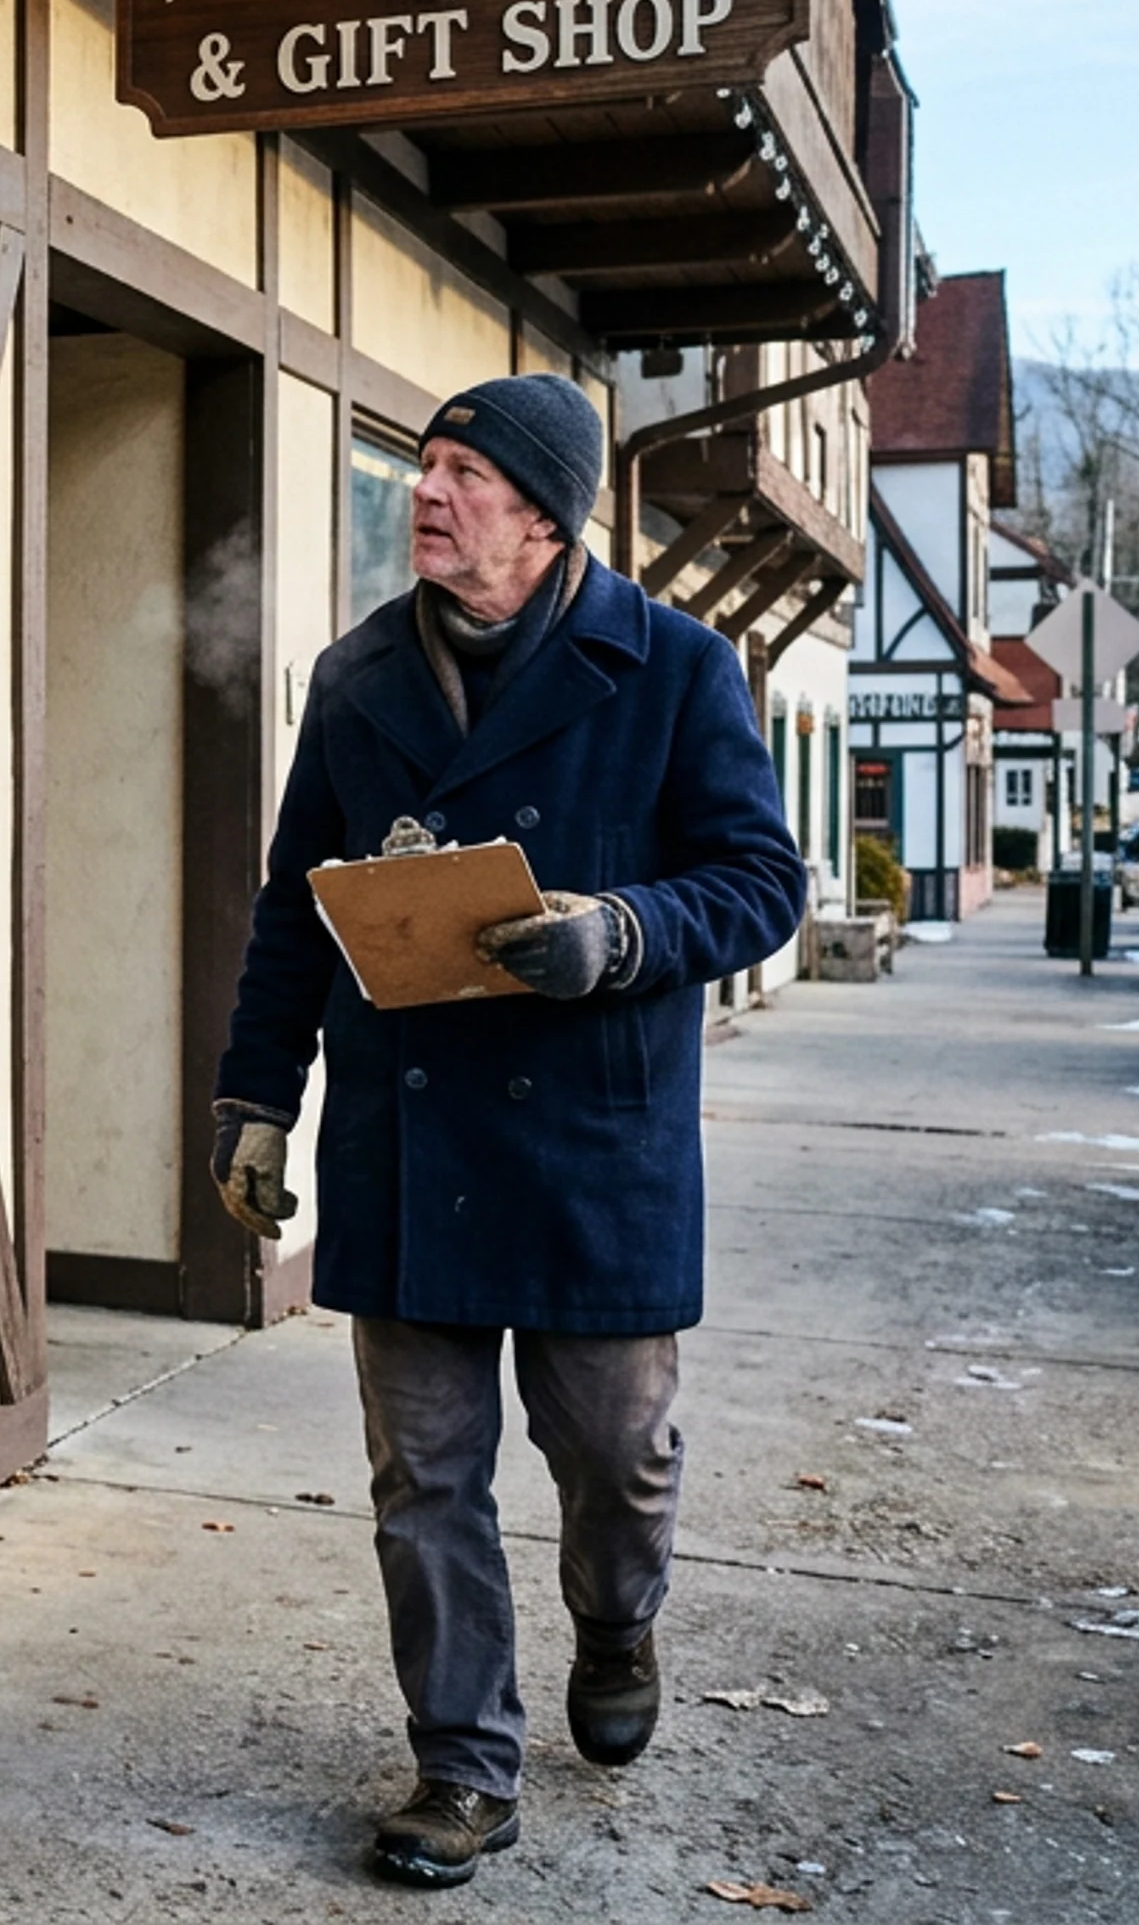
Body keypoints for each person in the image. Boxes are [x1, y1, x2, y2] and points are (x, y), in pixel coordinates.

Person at [207, 373, 808, 1889]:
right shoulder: (358, 678)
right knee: (425, 1478)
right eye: (424, 467)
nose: (425, 492)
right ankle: (462, 1766)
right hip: (411, 1145)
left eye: (461, 474)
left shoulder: (674, 666)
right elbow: (294, 910)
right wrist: (257, 1098)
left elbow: (761, 883)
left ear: (544, 517)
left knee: (615, 1454)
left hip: (593, 1147)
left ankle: (618, 1619)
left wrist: (620, 931)